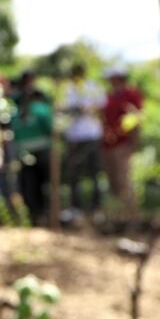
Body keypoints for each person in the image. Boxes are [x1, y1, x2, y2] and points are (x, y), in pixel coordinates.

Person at [60, 63, 105, 219]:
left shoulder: (93, 87)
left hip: (91, 135)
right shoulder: (68, 89)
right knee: (74, 173)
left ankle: (97, 209)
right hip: (74, 137)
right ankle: (75, 208)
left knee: (94, 172)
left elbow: (101, 107)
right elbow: (61, 109)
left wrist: (88, 109)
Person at [101, 68, 144, 227]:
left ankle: (133, 218)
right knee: (113, 182)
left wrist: (133, 142)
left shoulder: (132, 94)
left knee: (124, 179)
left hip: (124, 144)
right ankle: (119, 218)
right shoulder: (109, 96)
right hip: (108, 144)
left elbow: (137, 118)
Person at [9, 71, 53, 225]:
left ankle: (39, 216)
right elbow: (50, 129)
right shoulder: (41, 110)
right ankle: (40, 216)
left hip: (29, 154)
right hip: (38, 153)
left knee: (32, 186)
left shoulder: (16, 115)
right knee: (37, 186)